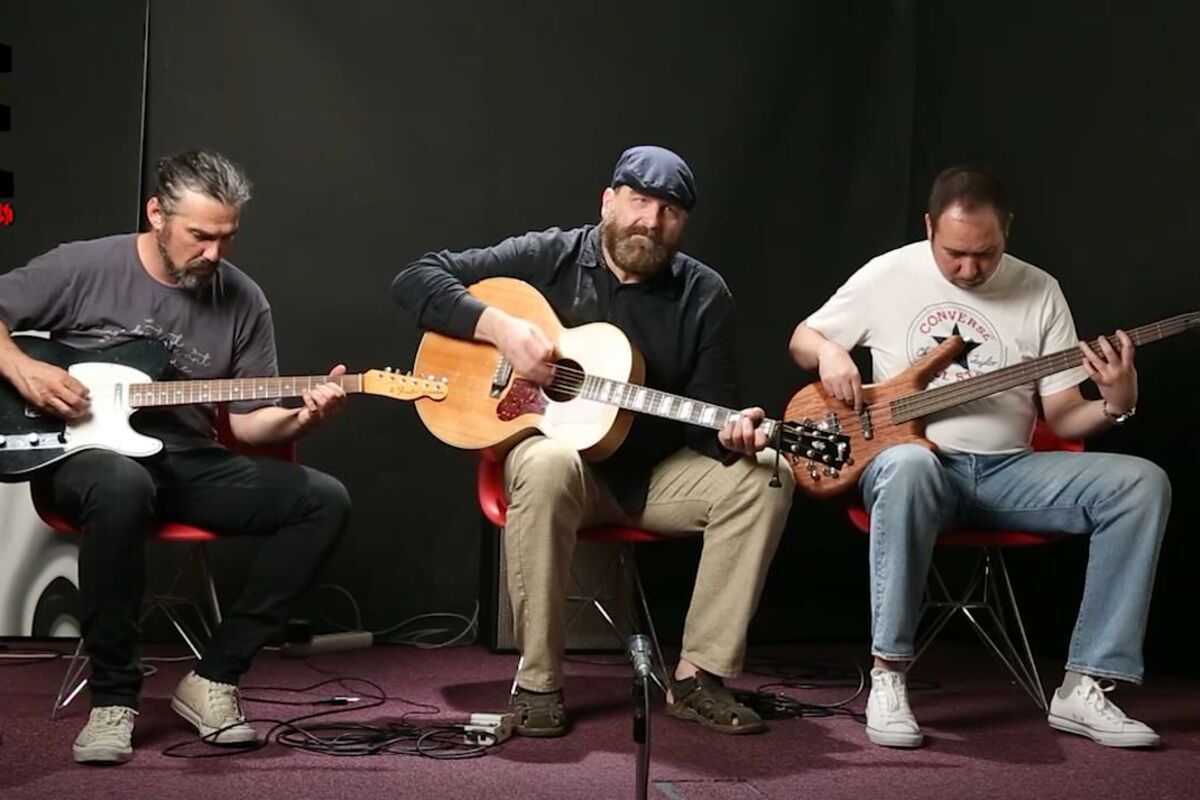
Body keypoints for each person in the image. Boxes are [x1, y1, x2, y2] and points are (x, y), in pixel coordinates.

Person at [392, 145, 793, 737]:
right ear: (608, 201)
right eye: (639, 201)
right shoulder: (548, 255)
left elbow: (704, 425)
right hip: (565, 472)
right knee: (548, 461)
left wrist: (733, 437)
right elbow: (414, 278)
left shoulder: (704, 294)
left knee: (768, 473)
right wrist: (502, 329)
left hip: (655, 478)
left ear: (684, 223)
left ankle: (697, 678)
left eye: (670, 211)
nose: (650, 221)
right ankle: (537, 684)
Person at [789, 165, 1170, 749]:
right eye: (954, 254)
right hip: (919, 467)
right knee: (909, 466)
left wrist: (1117, 403)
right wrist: (828, 352)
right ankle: (889, 675)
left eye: (985, 254)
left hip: (1011, 472)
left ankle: (1086, 685)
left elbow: (1064, 416)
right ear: (929, 228)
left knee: (1142, 482)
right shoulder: (889, 274)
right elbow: (802, 337)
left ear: (1007, 230)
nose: (969, 269)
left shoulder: (1039, 289)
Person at [0, 150, 352, 764]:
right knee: (121, 484)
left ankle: (214, 678)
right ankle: (114, 699)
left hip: (187, 461)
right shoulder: (84, 265)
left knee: (324, 500)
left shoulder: (243, 299)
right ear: (157, 214)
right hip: (83, 460)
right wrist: (22, 368)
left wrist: (301, 417)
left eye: (227, 237)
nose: (214, 253)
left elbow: (251, 422)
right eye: (200, 236)